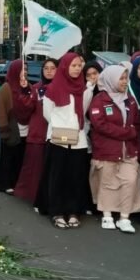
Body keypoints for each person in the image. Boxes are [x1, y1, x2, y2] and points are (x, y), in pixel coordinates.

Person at [87, 65, 140, 233]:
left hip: (128, 150)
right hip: (106, 150)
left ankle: (124, 217)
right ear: (111, 79)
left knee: (130, 181)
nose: (124, 82)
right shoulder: (99, 100)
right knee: (107, 182)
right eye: (121, 78)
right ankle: (107, 215)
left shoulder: (130, 100)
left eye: (126, 78)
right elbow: (100, 125)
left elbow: (137, 124)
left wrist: (131, 137)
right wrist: (127, 133)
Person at [39, 52, 92, 229]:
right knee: (57, 176)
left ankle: (73, 211)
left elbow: (82, 112)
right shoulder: (53, 89)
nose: (77, 69)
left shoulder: (84, 90)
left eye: (79, 66)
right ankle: (57, 211)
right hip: (57, 139)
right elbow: (47, 113)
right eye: (73, 65)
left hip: (78, 140)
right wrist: (61, 127)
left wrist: (72, 128)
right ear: (65, 67)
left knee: (75, 177)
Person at [13, 58, 57, 208]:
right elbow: (25, 108)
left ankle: (52, 198)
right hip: (38, 133)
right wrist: (25, 91)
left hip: (58, 134)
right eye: (46, 68)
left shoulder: (62, 89)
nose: (49, 71)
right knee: (35, 169)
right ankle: (35, 198)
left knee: (54, 170)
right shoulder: (36, 88)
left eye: (53, 68)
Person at [0, 60, 27, 195]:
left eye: (26, 69)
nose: (24, 72)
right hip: (11, 129)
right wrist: (4, 130)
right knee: (7, 158)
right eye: (22, 69)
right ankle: (5, 184)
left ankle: (16, 183)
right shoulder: (6, 88)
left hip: (25, 130)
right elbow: (1, 110)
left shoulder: (27, 86)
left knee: (20, 159)